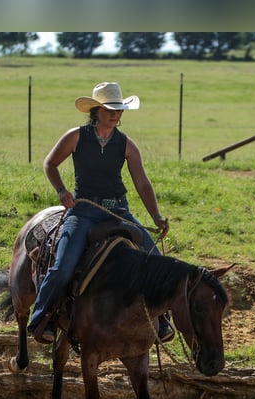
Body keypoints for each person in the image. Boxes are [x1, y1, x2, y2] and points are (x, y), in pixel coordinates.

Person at [27, 81, 174, 344]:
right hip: (83, 211)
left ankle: (162, 320)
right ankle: (42, 317)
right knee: (63, 265)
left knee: (154, 257)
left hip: (119, 211)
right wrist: (61, 191)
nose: (115, 114)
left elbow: (141, 182)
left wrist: (156, 217)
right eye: (109, 109)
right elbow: (50, 163)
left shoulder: (127, 144)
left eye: (118, 110)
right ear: (96, 111)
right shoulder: (76, 136)